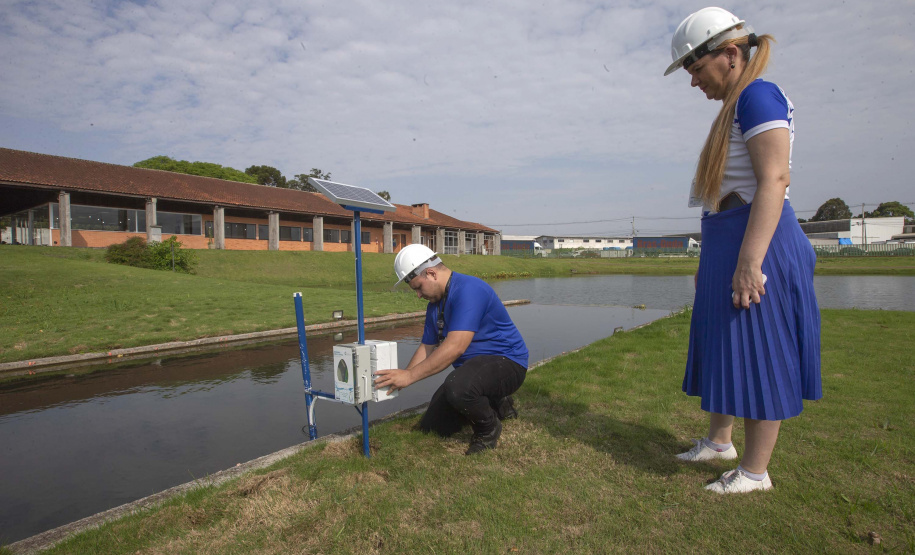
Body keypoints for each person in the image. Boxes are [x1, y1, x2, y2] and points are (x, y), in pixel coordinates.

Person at [664, 7, 822, 493]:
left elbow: (774, 179)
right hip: (729, 236)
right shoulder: (735, 104)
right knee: (724, 345)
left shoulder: (758, 96)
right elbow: (725, 193)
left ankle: (755, 472)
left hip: (761, 242)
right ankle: (719, 442)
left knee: (758, 349)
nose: (693, 82)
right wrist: (709, 259)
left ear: (730, 54)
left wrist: (750, 261)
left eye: (695, 68)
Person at [373, 244, 529, 455]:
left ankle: (488, 429)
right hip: (474, 372)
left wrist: (410, 376)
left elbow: (455, 347)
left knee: (458, 387)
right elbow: (428, 347)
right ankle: (496, 401)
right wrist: (402, 378)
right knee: (433, 427)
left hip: (507, 363)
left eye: (418, 287)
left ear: (431, 273)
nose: (418, 295)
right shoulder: (435, 305)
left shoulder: (469, 290)